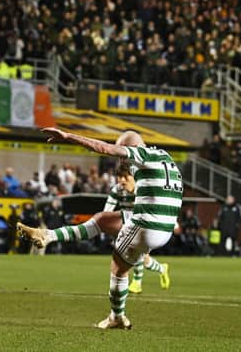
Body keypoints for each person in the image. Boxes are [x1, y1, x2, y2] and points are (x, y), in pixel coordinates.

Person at [20, 129, 182, 329]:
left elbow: (104, 148)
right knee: (103, 220)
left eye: (124, 155)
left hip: (146, 227)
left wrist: (69, 137)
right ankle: (48, 235)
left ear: (132, 147)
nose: (122, 163)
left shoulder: (141, 154)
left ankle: (116, 317)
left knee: (118, 267)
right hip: (164, 227)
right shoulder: (167, 159)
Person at [18, 163, 169, 294]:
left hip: (143, 227)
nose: (122, 181)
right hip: (124, 223)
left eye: (126, 177)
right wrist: (105, 224)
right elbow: (107, 211)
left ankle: (137, 283)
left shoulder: (143, 192)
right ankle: (161, 269)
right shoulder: (117, 190)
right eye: (119, 177)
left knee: (137, 255)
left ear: (134, 177)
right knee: (140, 258)